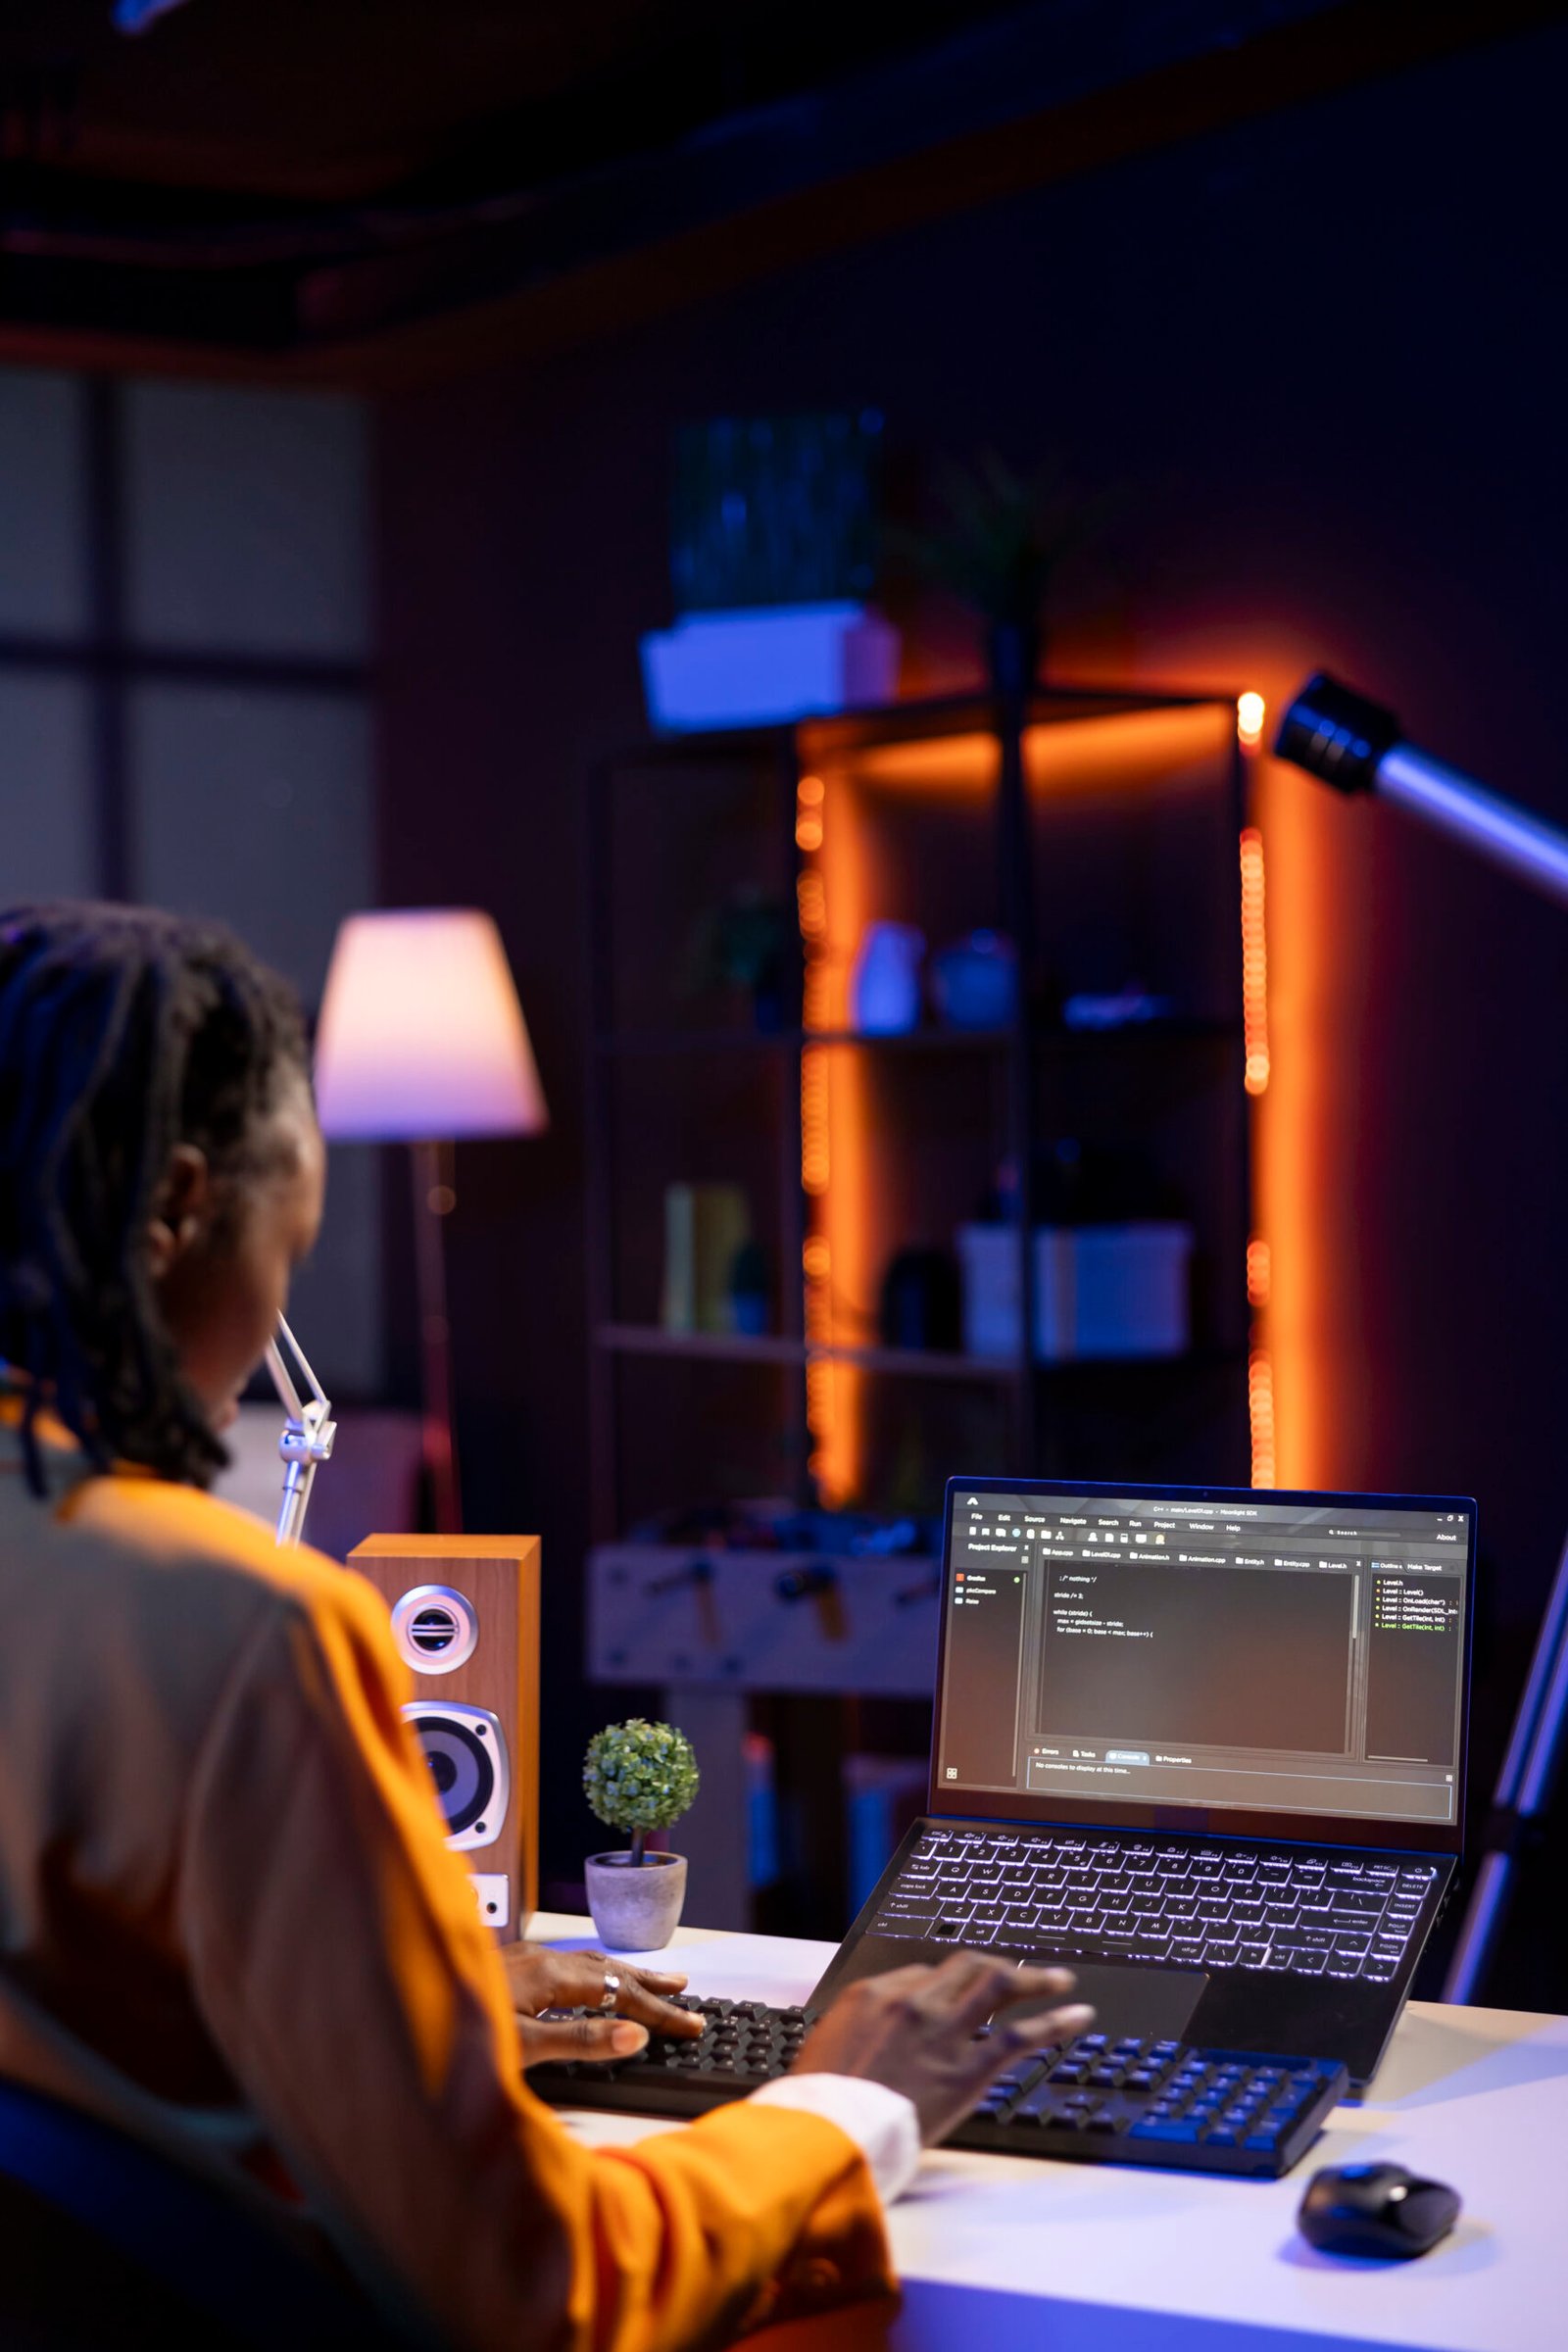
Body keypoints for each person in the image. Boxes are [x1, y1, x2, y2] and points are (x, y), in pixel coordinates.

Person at [0, 902, 1091, 2350]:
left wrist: (400, 2011)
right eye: (290, 1241)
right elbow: (537, 2294)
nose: (278, 1305)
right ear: (182, 1209)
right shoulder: (246, 1628)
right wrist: (847, 2101)